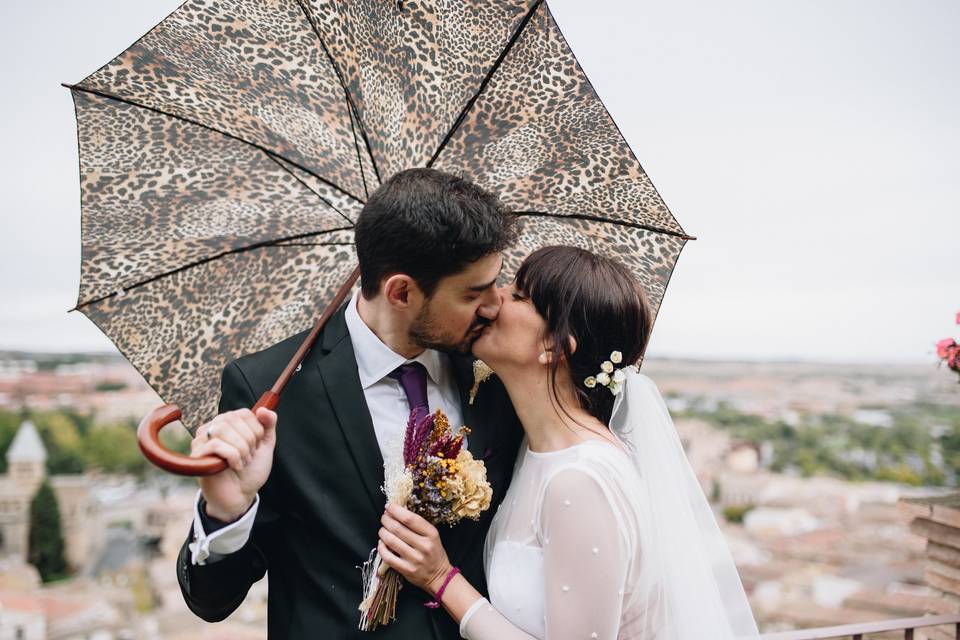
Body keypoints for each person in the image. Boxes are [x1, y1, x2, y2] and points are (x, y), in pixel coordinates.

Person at [175, 168, 524, 639]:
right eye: (472, 293)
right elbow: (213, 602)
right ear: (401, 291)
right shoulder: (266, 390)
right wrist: (226, 512)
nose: (493, 306)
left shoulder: (500, 375)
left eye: (495, 284)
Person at [376, 246, 761, 639]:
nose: (493, 301)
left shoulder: (580, 481)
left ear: (555, 346)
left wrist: (442, 579)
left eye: (519, 295)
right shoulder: (534, 449)